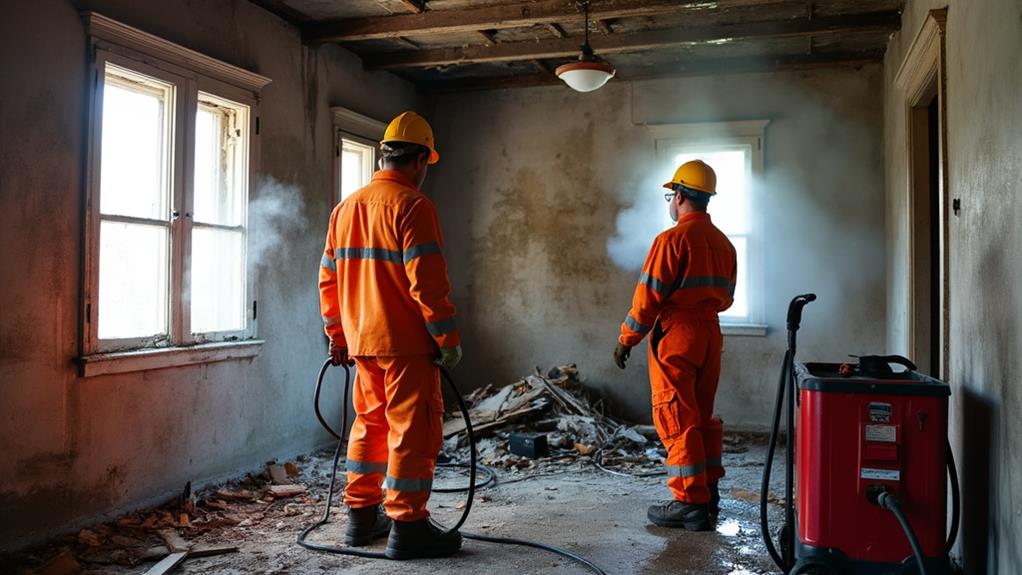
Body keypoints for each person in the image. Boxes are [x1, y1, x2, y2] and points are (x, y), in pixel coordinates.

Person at [319, 111, 463, 559]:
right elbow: (428, 285)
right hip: (406, 344)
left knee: (369, 425)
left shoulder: (345, 208)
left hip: (363, 343)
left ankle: (361, 518)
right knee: (411, 432)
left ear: (384, 155)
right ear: (420, 160)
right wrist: (447, 340)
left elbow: (329, 279)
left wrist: (338, 335)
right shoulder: (414, 206)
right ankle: (407, 525)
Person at [613, 159, 737, 532]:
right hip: (710, 333)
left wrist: (626, 339)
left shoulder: (671, 241)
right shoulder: (724, 244)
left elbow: (648, 297)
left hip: (677, 333)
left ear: (680, 196)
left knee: (677, 418)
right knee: (701, 416)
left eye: (671, 195)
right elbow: (727, 296)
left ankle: (688, 502)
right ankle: (708, 489)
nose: (671, 201)